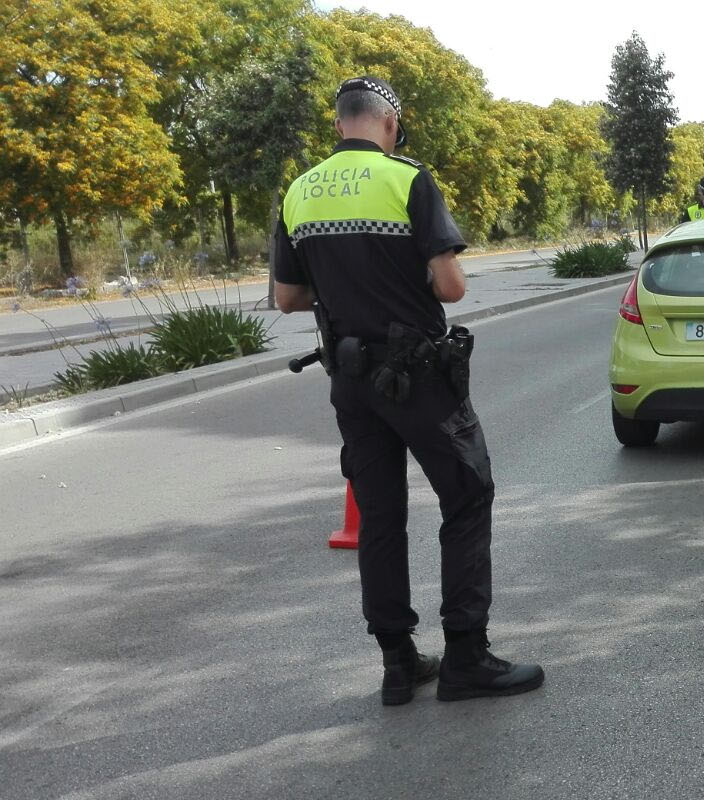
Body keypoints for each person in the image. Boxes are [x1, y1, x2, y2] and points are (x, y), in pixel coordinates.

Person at [271, 76, 544, 706]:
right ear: (389, 124)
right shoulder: (407, 179)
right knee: (468, 498)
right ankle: (467, 658)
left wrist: (348, 290)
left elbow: (288, 297)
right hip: (419, 378)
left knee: (381, 520)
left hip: (350, 382)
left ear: (341, 123)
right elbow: (450, 288)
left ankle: (398, 664)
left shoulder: (300, 191)